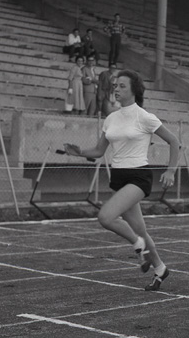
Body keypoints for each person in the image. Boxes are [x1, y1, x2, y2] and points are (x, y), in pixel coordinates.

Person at [63, 70, 180, 291]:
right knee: (140, 229)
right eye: (116, 85)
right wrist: (79, 152)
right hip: (118, 178)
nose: (116, 89)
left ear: (134, 90)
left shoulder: (144, 117)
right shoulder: (111, 118)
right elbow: (99, 151)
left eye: (122, 86)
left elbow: (174, 142)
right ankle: (160, 268)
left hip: (138, 177)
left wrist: (171, 171)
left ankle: (138, 245)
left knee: (106, 217)